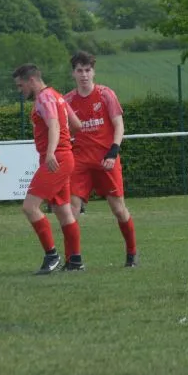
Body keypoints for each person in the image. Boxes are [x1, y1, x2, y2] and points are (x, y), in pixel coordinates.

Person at [64, 51, 138, 267]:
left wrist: (113, 152)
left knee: (118, 210)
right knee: (72, 211)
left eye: (87, 70)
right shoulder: (67, 100)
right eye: (80, 70)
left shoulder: (106, 95)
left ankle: (132, 253)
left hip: (106, 160)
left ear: (93, 72)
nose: (84, 75)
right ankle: (73, 260)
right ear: (73, 73)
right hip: (79, 162)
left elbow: (119, 125)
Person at [13, 63, 84, 273]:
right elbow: (77, 125)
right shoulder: (58, 96)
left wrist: (52, 151)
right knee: (63, 211)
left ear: (31, 80)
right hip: (64, 156)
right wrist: (64, 142)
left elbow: (53, 124)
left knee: (30, 207)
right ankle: (75, 261)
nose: (20, 90)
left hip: (55, 159)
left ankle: (52, 256)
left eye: (20, 85)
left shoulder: (43, 98)